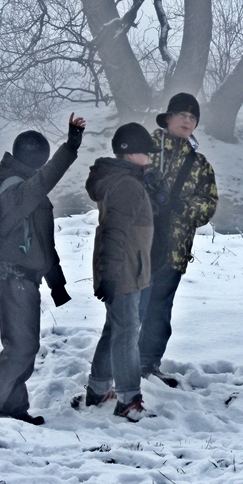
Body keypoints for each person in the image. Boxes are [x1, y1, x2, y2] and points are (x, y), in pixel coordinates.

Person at [0, 113, 86, 425]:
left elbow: (42, 244)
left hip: (23, 279)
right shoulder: (16, 191)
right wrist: (71, 146)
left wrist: (56, 285)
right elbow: (46, 178)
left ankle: (13, 407)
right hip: (12, 278)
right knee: (21, 347)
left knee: (24, 347)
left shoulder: (23, 190)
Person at [137, 94, 219, 386]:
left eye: (192, 117)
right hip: (138, 245)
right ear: (168, 117)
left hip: (173, 250)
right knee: (133, 309)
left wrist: (182, 208)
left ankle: (148, 365)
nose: (187, 121)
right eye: (182, 114)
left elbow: (209, 205)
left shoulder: (199, 163)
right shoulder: (142, 149)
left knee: (159, 310)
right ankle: (119, 365)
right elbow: (118, 186)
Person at [84, 122, 158, 421]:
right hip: (125, 268)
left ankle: (98, 388)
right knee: (126, 332)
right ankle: (129, 399)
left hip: (127, 266)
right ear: (129, 154)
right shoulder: (126, 185)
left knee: (115, 328)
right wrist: (111, 275)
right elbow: (114, 232)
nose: (150, 158)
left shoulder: (120, 179)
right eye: (146, 153)